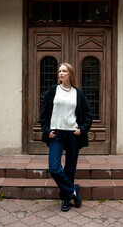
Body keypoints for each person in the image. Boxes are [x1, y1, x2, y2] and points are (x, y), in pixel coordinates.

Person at [40, 62, 93, 212]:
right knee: (54, 169)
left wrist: (82, 129)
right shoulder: (53, 91)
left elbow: (89, 113)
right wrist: (46, 130)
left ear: (70, 74)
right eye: (59, 71)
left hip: (72, 134)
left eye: (64, 71)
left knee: (70, 169)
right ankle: (73, 191)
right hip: (56, 134)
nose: (61, 73)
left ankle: (65, 199)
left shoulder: (78, 93)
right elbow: (43, 113)